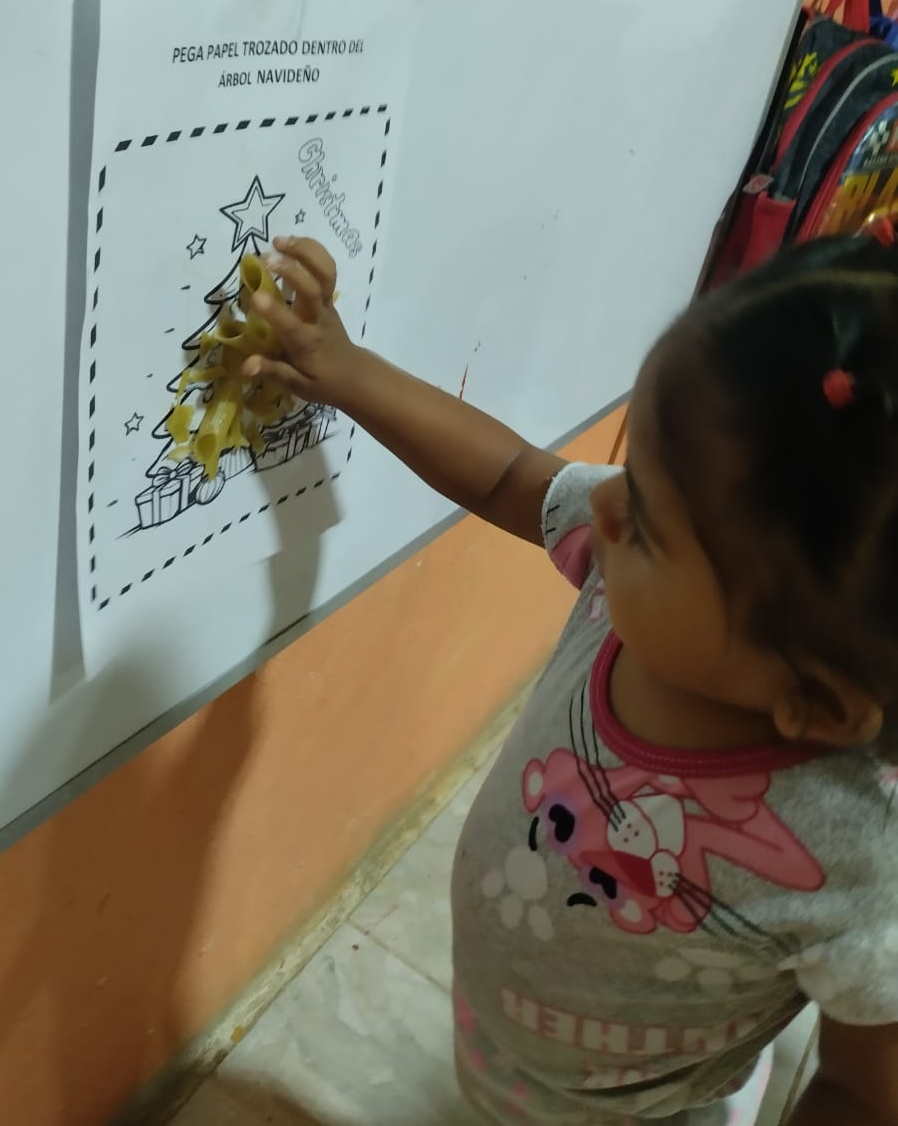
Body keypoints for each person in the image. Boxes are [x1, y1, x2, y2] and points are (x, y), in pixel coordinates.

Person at [242, 232, 898, 1125]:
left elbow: (860, 1088)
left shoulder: (856, 864)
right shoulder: (622, 574)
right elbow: (512, 473)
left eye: (652, 522)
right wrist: (347, 372)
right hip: (505, 1049)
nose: (605, 503)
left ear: (814, 699)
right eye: (636, 476)